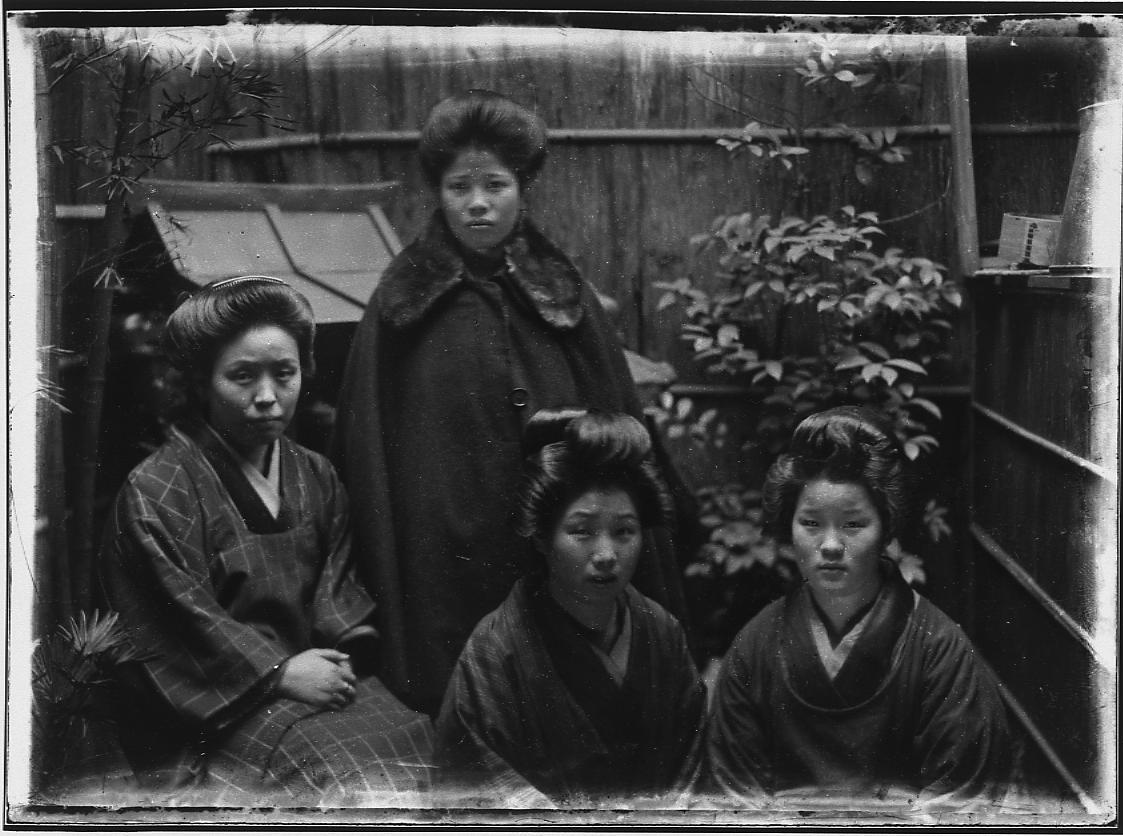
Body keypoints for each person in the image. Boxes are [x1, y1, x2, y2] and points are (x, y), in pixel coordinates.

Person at [330, 89, 686, 716]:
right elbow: (367, 453)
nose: (477, 202)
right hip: (442, 540)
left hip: (555, 536)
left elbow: (619, 426)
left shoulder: (563, 294)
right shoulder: (401, 301)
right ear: (438, 193)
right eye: (458, 187)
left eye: (495, 185)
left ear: (522, 188)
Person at [98, 276, 434, 806]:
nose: (267, 397)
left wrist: (336, 658)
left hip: (314, 677)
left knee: (421, 738)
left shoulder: (315, 474)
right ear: (202, 381)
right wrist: (278, 673)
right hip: (212, 713)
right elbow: (177, 626)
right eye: (242, 376)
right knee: (345, 774)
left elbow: (335, 590)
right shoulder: (157, 490)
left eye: (284, 373)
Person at [703, 406, 1016, 814]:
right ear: (788, 525)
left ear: (886, 527)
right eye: (811, 523)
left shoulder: (938, 647)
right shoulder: (755, 645)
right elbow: (733, 794)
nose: (831, 545)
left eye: (853, 525)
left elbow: (962, 797)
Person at [432, 409, 705, 808]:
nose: (607, 554)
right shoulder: (497, 648)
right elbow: (478, 783)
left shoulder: (662, 630)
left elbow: (691, 764)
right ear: (542, 538)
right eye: (582, 531)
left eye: (624, 531)